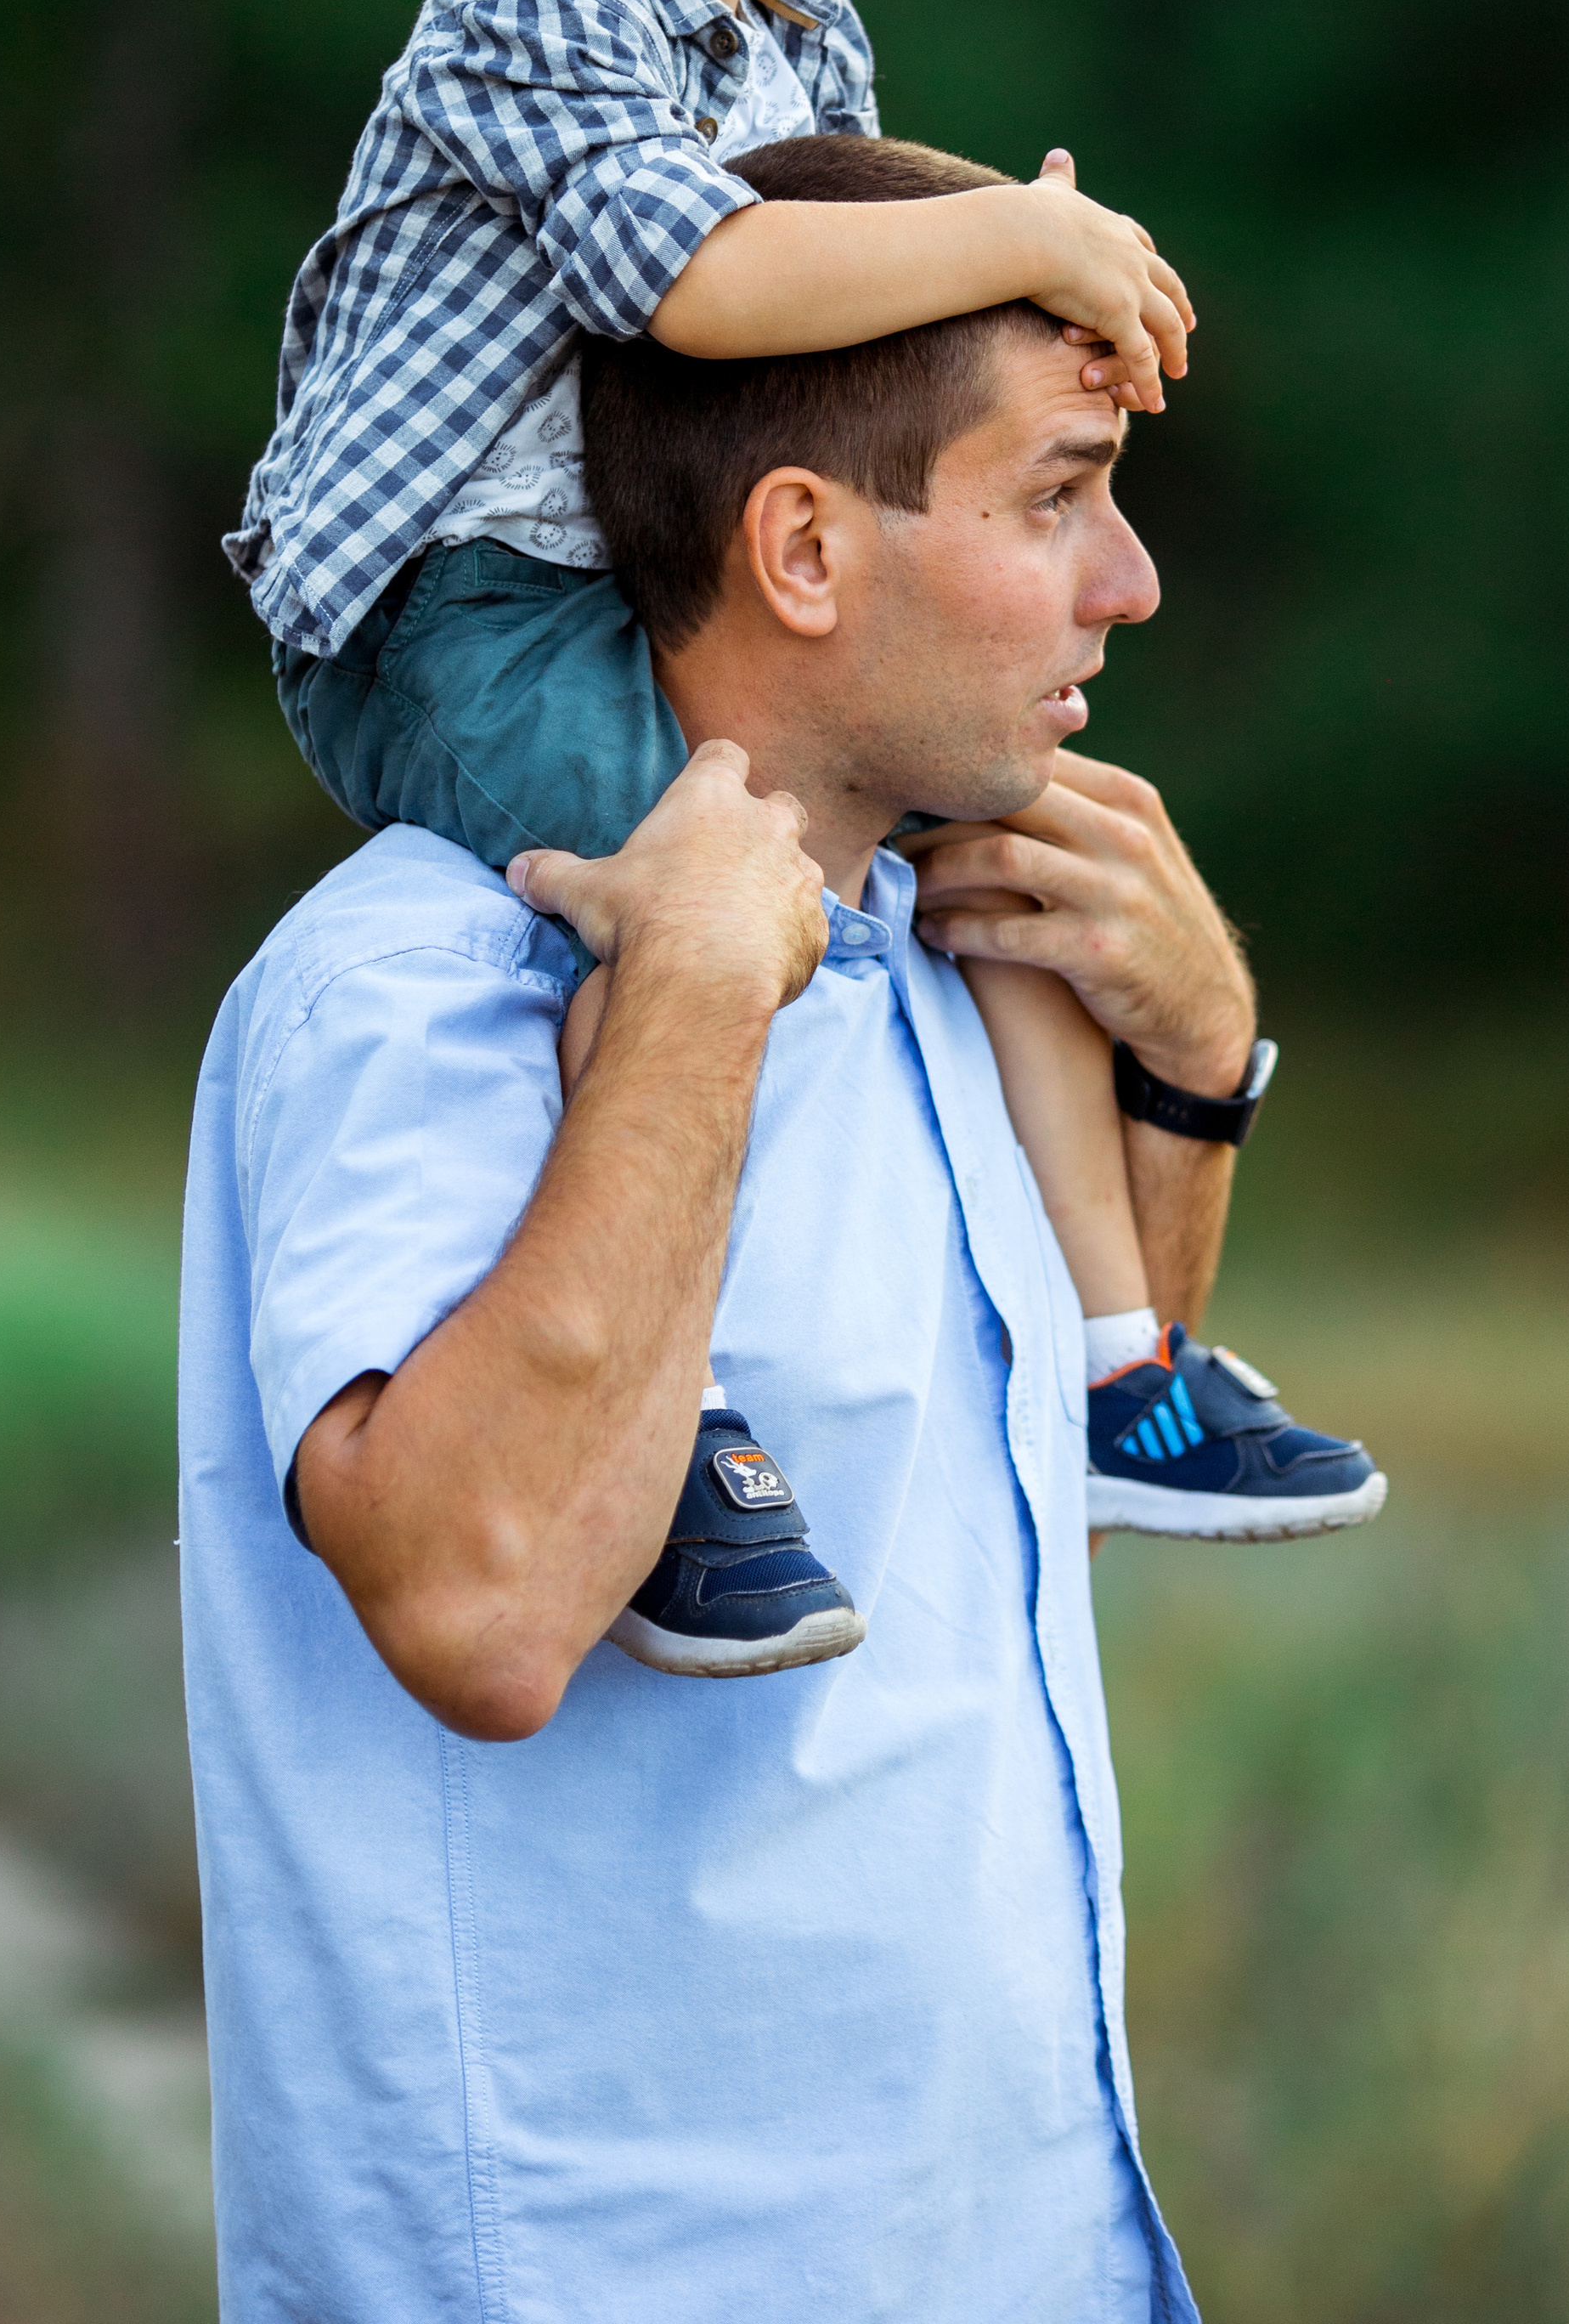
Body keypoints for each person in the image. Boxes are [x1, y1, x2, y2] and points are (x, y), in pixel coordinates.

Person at [179, 148, 1381, 2319]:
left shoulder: (937, 961)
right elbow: (481, 1612)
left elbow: (1009, 1496)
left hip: (1023, 2243)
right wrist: (697, 1010)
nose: (1127, 583)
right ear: (804, 547)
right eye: (1055, 497)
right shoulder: (419, 989)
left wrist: (1190, 1073)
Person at [224, 0, 1371, 1671]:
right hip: (448, 594)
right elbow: (705, 291)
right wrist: (1018, 227)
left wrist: (1012, 309)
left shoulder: (809, 32)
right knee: (704, 886)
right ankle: (673, 1436)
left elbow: (849, 361)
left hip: (656, 566)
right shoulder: (526, 10)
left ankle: (1125, 1366)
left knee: (999, 837)